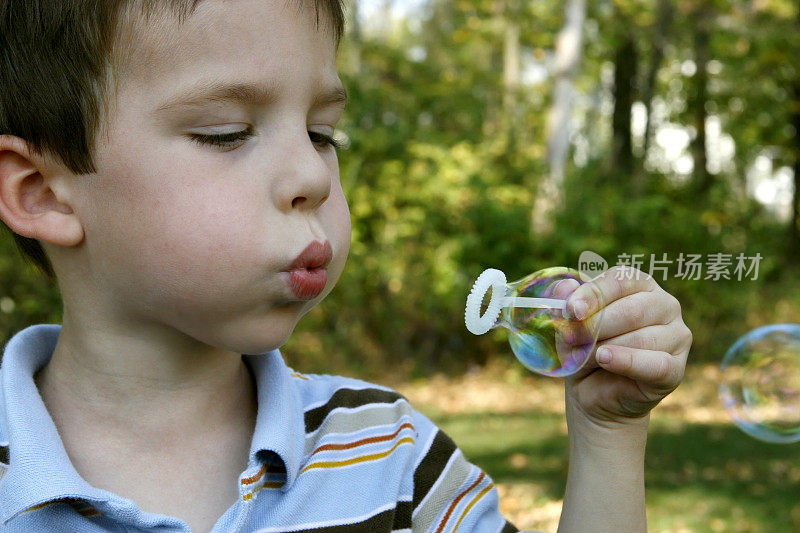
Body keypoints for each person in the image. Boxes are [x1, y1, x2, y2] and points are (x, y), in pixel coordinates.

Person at [0, 1, 692, 531]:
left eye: (323, 132)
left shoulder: (392, 457)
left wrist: (607, 438)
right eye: (227, 133)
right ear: (43, 192)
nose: (312, 172)